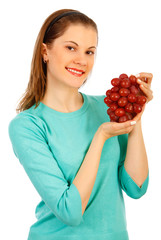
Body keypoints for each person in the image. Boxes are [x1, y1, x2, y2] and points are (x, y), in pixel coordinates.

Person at [8, 8, 153, 240]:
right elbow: (71, 211)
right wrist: (100, 137)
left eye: (90, 51)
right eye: (71, 48)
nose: (82, 60)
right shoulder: (27, 126)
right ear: (45, 51)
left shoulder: (106, 108)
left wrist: (135, 116)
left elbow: (136, 187)